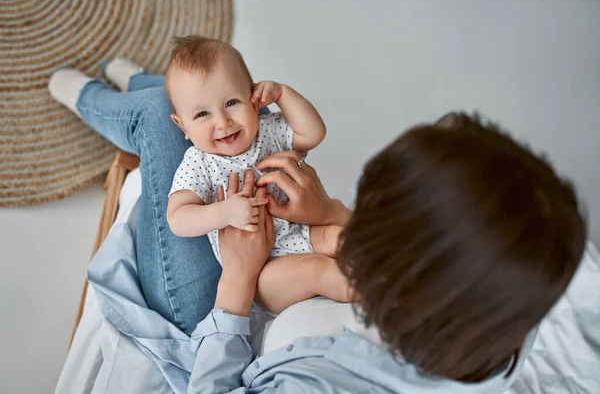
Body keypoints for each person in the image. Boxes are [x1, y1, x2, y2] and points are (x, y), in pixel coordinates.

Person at [49, 55, 586, 392]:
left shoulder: (316, 378)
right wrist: (329, 215)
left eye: (374, 209)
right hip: (276, 246)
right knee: (194, 98)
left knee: (157, 124)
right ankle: (155, 80)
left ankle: (101, 94)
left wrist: (237, 278)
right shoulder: (509, 310)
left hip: (231, 304)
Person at [165, 36, 351, 313]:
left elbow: (313, 133)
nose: (222, 122)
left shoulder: (268, 130)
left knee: (342, 238)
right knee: (318, 269)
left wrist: (283, 94)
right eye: (202, 113)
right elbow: (177, 218)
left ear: (253, 99)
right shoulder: (199, 162)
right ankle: (370, 292)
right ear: (183, 127)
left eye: (231, 103)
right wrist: (225, 212)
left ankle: (397, 267)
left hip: (305, 233)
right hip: (264, 270)